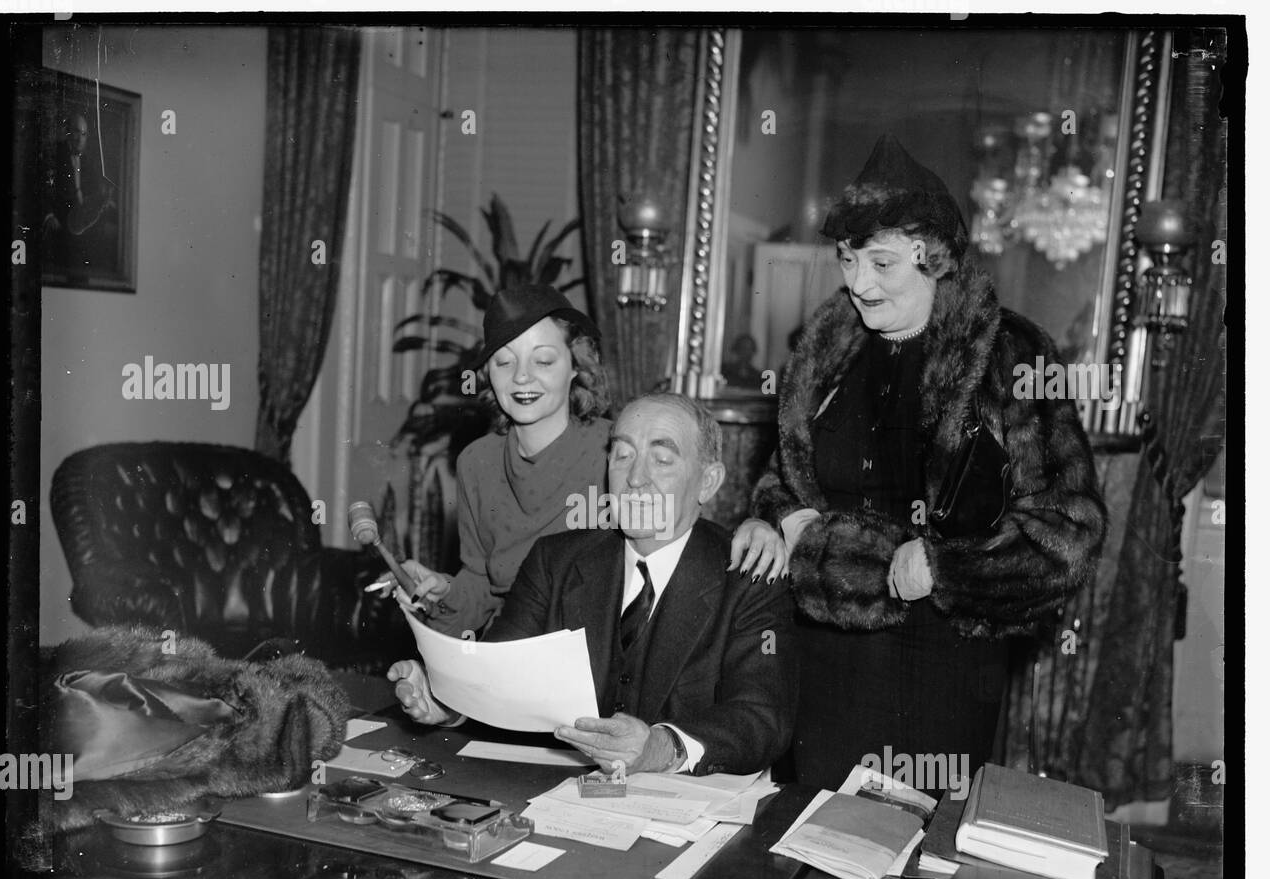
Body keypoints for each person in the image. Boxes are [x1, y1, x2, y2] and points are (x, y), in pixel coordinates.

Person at [751, 134, 1106, 792]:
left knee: (913, 869)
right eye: (848, 260)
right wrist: (784, 514)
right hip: (824, 661)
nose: (858, 283)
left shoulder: (1010, 355)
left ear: (935, 258)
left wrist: (944, 568)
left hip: (943, 666)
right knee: (807, 852)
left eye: (882, 263)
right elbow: (781, 477)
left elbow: (1068, 532)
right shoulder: (824, 354)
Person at [389, 392, 799, 777]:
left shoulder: (747, 575)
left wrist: (659, 748)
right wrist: (447, 699)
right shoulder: (556, 560)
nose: (635, 478)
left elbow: (763, 718)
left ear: (708, 482)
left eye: (661, 460)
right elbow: (500, 675)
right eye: (622, 456)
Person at [394, 284, 786, 639]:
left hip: (601, 656)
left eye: (543, 361)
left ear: (576, 367)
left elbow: (684, 534)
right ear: (488, 374)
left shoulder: (618, 452)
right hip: (510, 651)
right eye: (504, 362)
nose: (522, 378)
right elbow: (480, 581)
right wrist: (440, 590)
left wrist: (753, 528)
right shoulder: (476, 462)